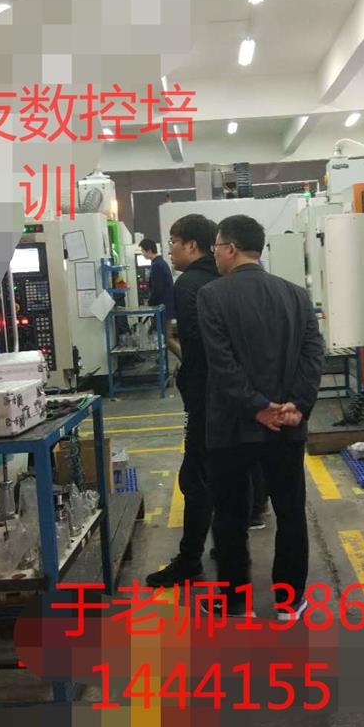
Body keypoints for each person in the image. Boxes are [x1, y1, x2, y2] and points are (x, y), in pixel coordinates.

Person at [197, 215, 324, 620]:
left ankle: (235, 601)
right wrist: (296, 405)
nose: (215, 254)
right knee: (290, 512)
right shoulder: (296, 295)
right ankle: (289, 602)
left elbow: (222, 363)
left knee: (231, 515)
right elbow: (312, 355)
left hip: (232, 427)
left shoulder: (211, 295)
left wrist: (255, 407)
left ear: (230, 248)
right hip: (287, 426)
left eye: (217, 247)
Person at [145, 215, 219, 588]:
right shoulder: (225, 278)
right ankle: (228, 541)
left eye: (173, 241)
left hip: (206, 399)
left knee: (194, 478)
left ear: (192, 245)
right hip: (237, 399)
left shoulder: (188, 283)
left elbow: (197, 347)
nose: (170, 249)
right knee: (230, 473)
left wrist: (187, 376)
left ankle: (189, 560)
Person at [139, 238, 175, 339]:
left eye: (143, 251)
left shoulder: (157, 265)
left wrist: (149, 303)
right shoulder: (161, 263)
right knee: (166, 337)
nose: (142, 254)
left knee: (160, 337)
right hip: (167, 307)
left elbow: (157, 290)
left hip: (162, 307)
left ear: (149, 251)